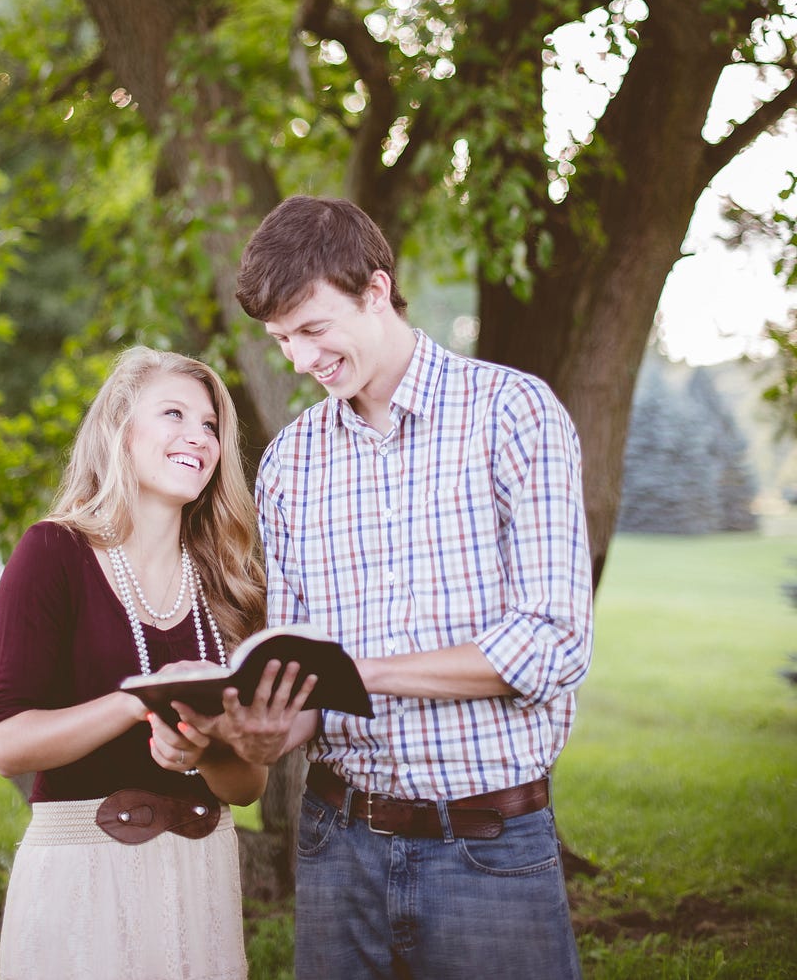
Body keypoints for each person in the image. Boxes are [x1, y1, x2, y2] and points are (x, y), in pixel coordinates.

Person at [186, 195, 594, 979]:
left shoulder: (511, 413)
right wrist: (267, 730)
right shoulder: (294, 461)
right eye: (281, 340)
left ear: (376, 291)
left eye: (312, 330)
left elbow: (553, 642)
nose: (301, 361)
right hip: (338, 848)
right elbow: (301, 675)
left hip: (488, 849)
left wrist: (360, 675)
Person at [0, 346, 269, 980]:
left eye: (211, 426)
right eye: (174, 413)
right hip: (84, 878)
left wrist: (207, 749)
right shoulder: (53, 552)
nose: (198, 436)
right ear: (119, 428)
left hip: (202, 880)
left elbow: (248, 787)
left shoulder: (229, 583)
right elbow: (7, 743)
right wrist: (142, 700)